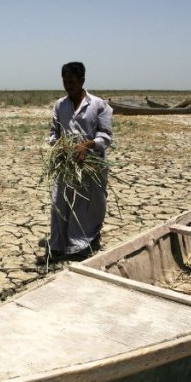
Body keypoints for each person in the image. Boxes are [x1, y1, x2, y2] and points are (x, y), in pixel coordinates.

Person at [37, 62, 113, 265]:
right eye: (65, 82)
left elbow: (106, 137)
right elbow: (54, 133)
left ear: (82, 81)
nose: (68, 86)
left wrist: (87, 145)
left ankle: (85, 242)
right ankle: (59, 245)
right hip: (66, 165)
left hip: (92, 165)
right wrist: (60, 146)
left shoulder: (99, 105)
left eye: (72, 82)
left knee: (89, 205)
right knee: (60, 204)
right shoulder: (60, 105)